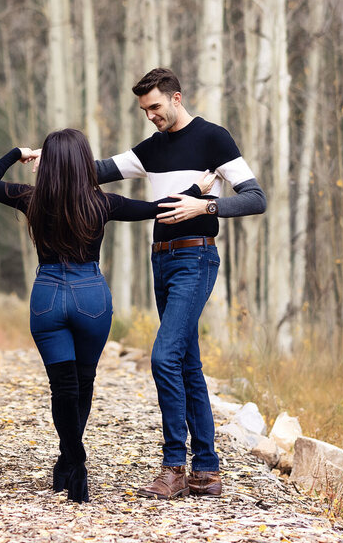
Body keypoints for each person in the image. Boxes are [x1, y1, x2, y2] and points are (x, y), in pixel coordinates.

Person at [0, 127, 213, 503]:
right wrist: (197, 193)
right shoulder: (103, 203)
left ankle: (73, 461)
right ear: (85, 162)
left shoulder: (30, 198)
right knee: (83, 383)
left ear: (48, 164)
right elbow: (159, 210)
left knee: (62, 388)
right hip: (92, 299)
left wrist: (18, 151)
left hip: (47, 298)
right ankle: (70, 458)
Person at [96, 67, 266, 499]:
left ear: (176, 97)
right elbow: (98, 169)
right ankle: (206, 471)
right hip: (161, 262)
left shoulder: (214, 138)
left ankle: (173, 466)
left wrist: (204, 206)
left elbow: (255, 197)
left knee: (163, 357)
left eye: (155, 106)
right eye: (144, 109)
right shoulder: (149, 150)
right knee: (188, 364)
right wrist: (47, 154)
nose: (150, 115)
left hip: (196, 257)